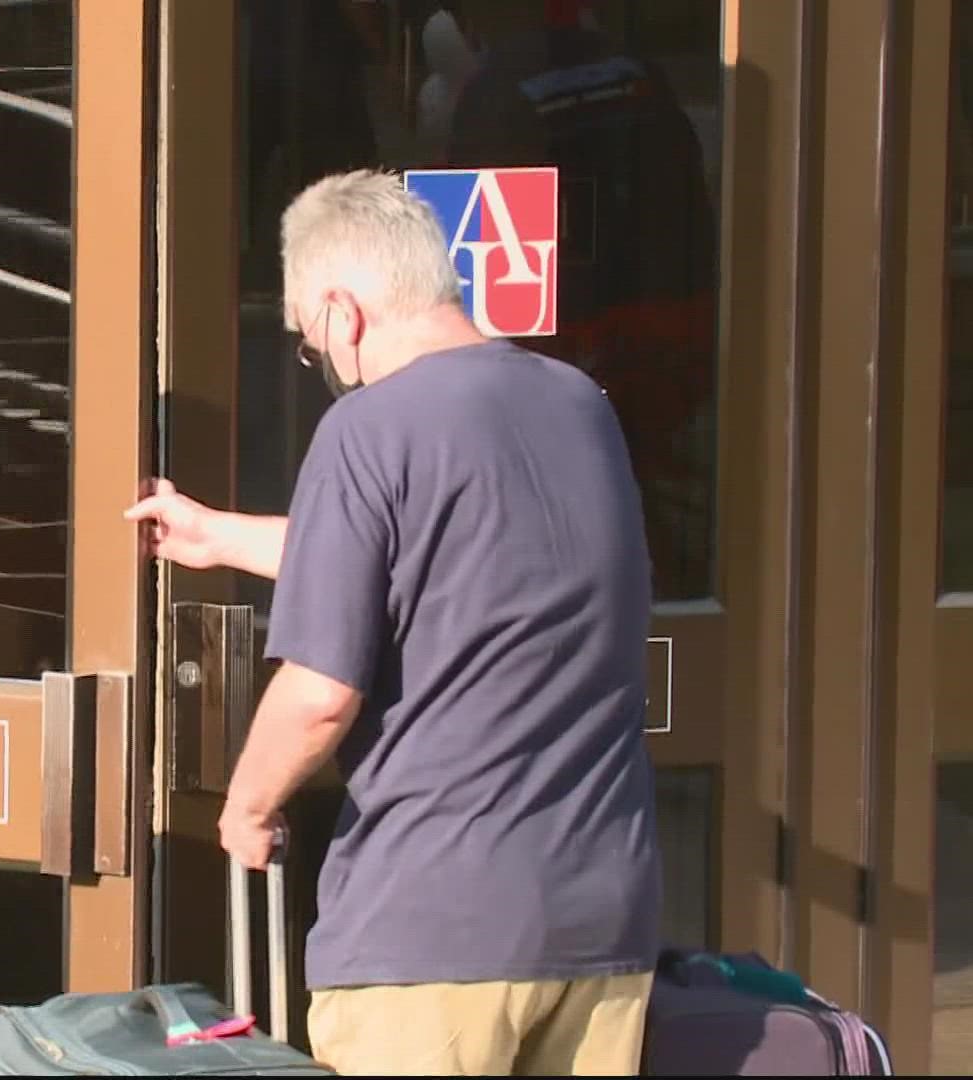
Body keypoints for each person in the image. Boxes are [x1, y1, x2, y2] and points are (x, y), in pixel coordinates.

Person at [124, 169, 663, 1076]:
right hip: (602, 920)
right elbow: (435, 556)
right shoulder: (578, 405)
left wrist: (247, 807)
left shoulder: (369, 428)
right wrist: (218, 535)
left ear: (342, 311)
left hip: (435, 928)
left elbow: (322, 694)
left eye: (309, 342)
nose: (323, 362)